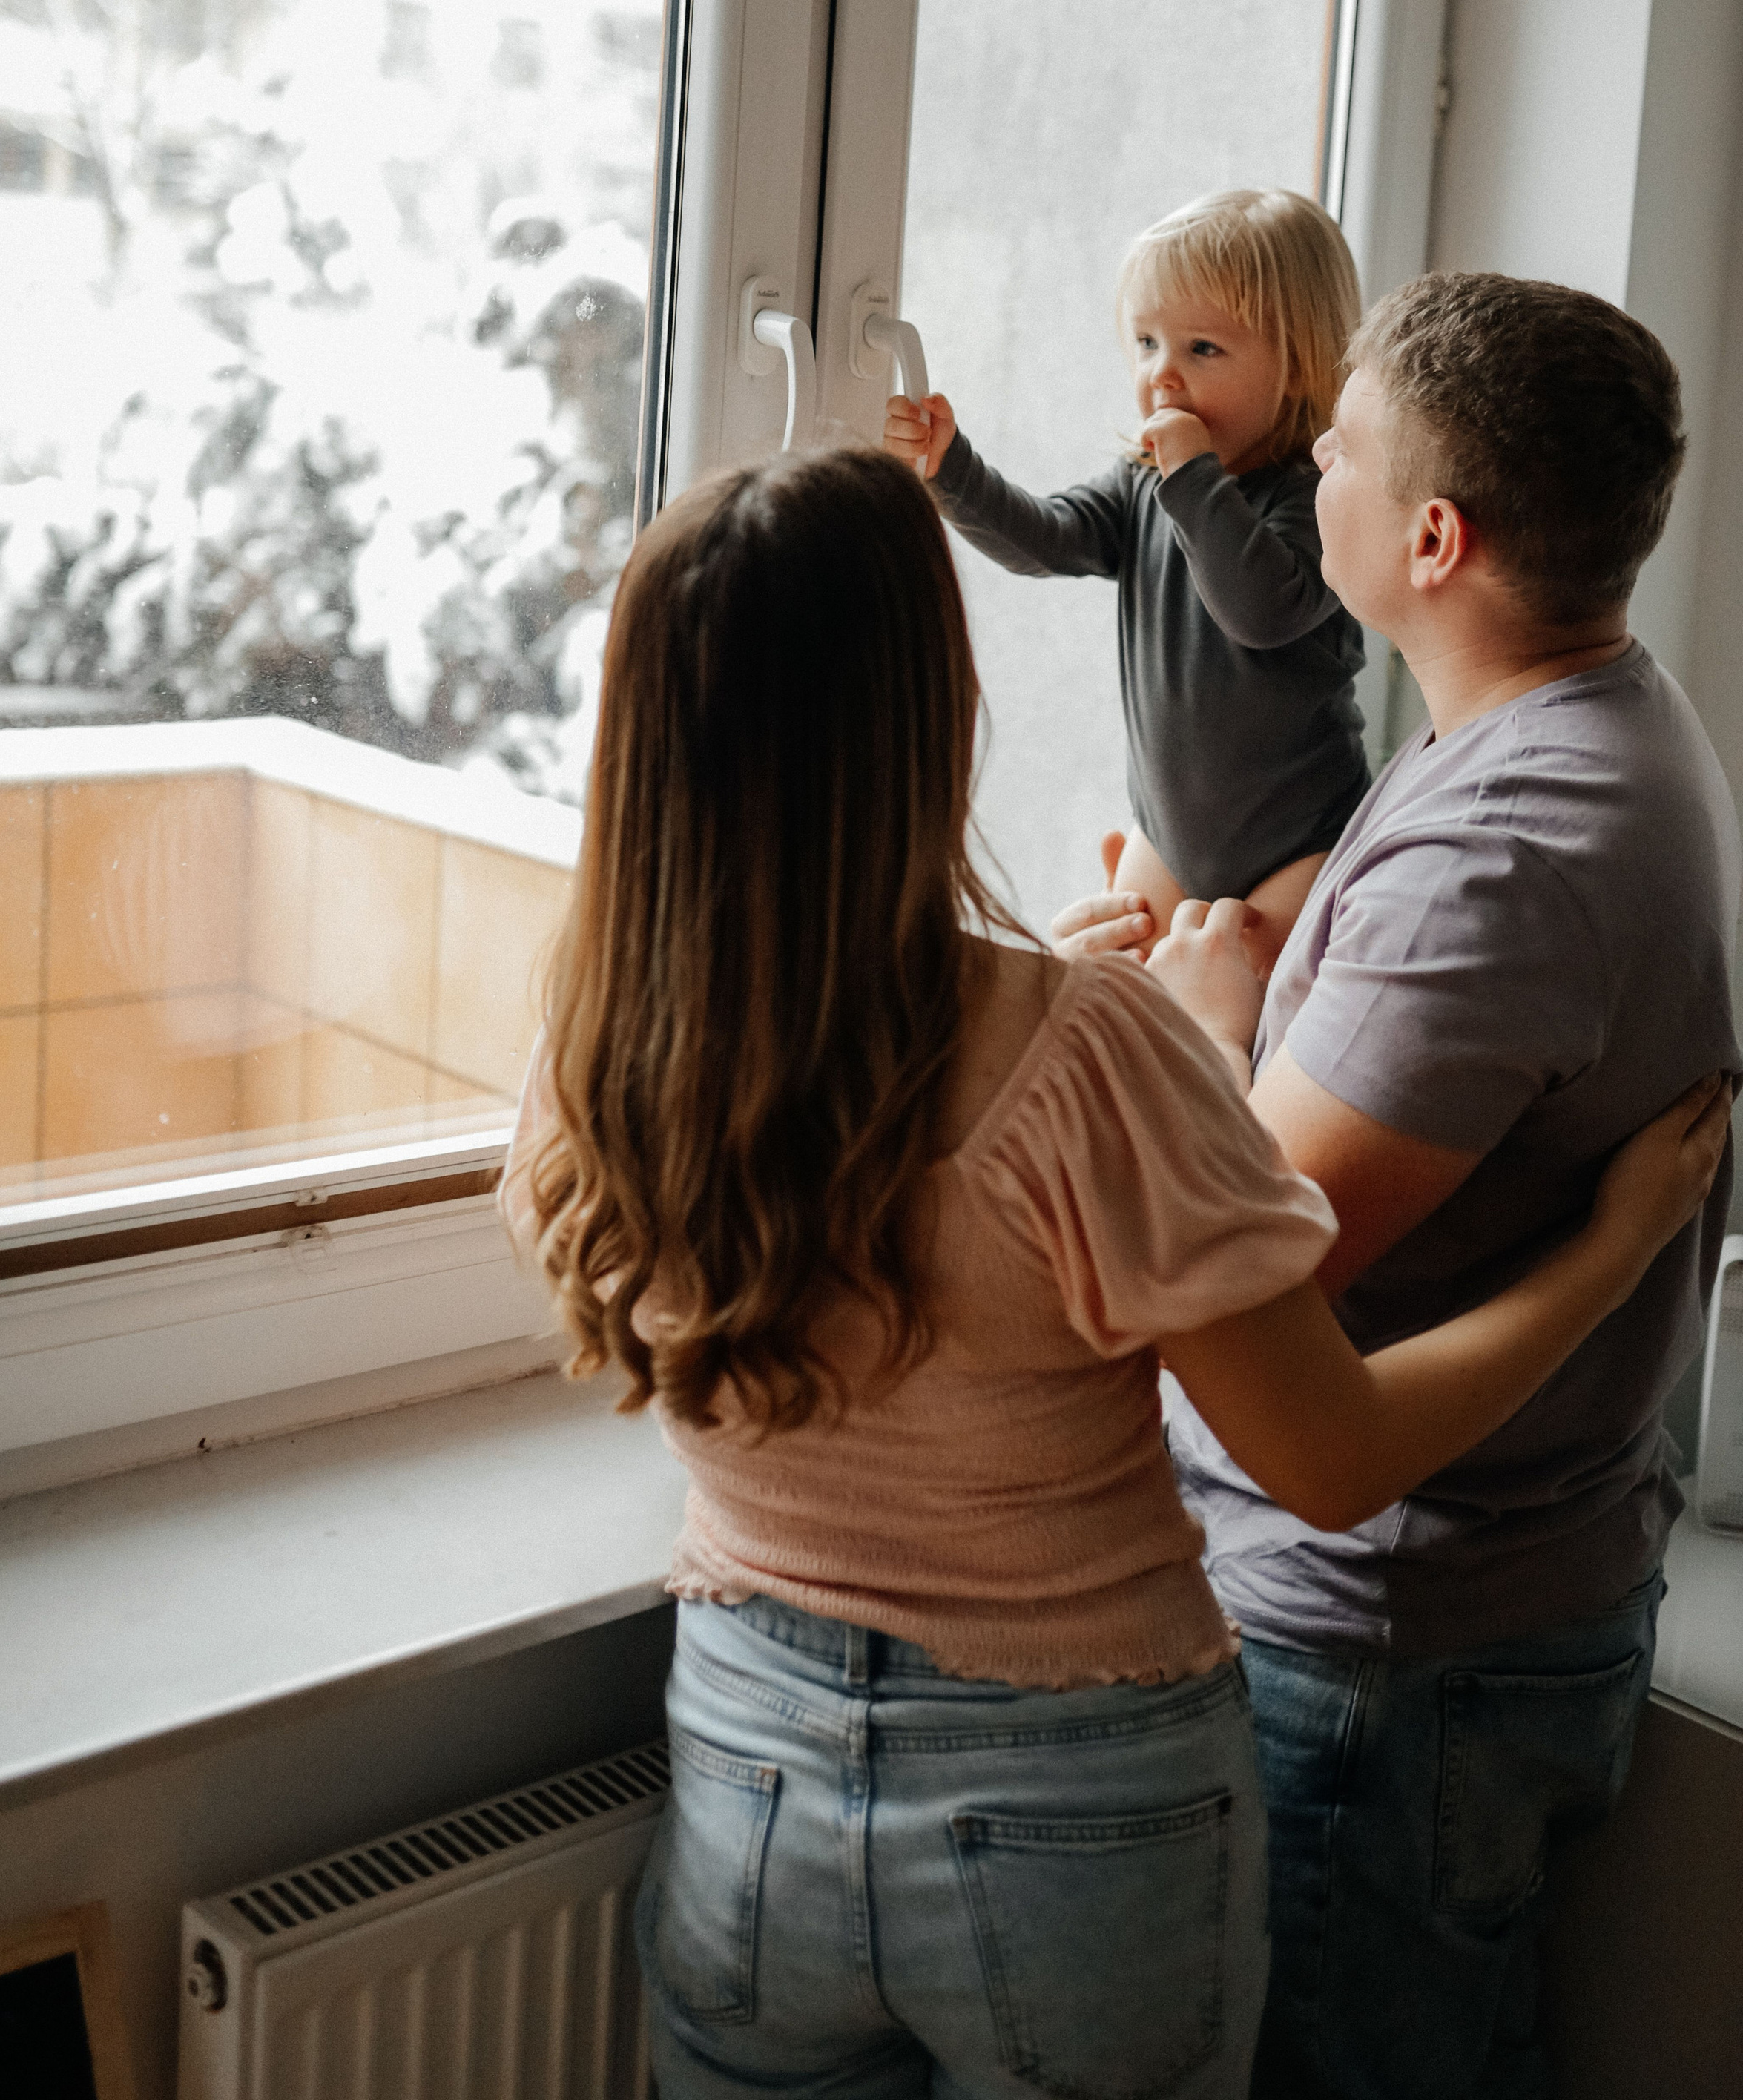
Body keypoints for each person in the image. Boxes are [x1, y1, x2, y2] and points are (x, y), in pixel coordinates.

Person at [502, 441, 1727, 2100]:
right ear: (933, 713)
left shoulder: (587, 1058)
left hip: (746, 1762)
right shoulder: (1083, 1056)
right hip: (1071, 1799)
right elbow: (1331, 1455)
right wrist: (1615, 1244)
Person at [1058, 272, 1742, 2100]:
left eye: (1336, 454)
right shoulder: (1569, 705)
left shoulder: (1506, 848)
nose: (1305, 478)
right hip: (1482, 1612)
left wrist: (1205, 1039)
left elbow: (1254, 1263)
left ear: (1433, 539)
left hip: (1388, 1655)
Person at [884, 186, 1368, 970]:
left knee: (1251, 999)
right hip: (1169, 840)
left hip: (1302, 842)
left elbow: (1259, 609)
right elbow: (1045, 538)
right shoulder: (1144, 485)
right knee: (1123, 988)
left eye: (1201, 349)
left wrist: (1193, 477)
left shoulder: (1317, 499)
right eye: (1146, 343)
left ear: (1298, 364)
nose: (1161, 376)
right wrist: (952, 469)